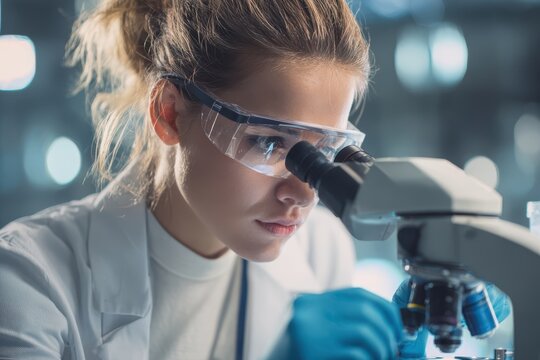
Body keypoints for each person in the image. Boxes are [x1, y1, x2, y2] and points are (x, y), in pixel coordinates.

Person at [0, 0, 509, 359]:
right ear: (171, 114)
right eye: (268, 142)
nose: (304, 193)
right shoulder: (30, 280)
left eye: (326, 153)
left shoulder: (319, 249)